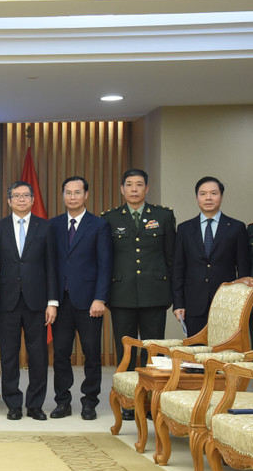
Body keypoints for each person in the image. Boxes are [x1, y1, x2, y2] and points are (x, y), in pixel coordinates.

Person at [101, 169, 175, 420]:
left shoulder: (163, 216)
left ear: (147, 189)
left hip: (155, 293)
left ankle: (154, 401)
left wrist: (174, 294)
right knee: (126, 352)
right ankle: (129, 401)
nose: (134, 189)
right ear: (122, 189)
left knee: (154, 350)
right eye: (129, 185)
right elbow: (105, 260)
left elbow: (171, 257)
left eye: (139, 184)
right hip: (121, 294)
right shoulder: (109, 218)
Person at [0, 181, 57, 421]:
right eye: (16, 196)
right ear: (9, 201)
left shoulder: (46, 228)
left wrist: (52, 302)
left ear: (32, 200)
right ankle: (13, 404)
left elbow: (52, 266)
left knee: (38, 355)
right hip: (7, 302)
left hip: (38, 302)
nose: (21, 200)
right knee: (8, 355)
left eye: (25, 196)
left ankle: (35, 405)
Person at [49, 176, 112, 421]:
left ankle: (89, 402)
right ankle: (62, 401)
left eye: (77, 192)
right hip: (61, 303)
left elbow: (105, 265)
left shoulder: (99, 225)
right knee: (61, 354)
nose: (72, 196)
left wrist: (100, 298)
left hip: (89, 303)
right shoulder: (53, 225)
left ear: (86, 195)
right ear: (63, 195)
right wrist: (51, 300)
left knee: (92, 355)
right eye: (68, 192)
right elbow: (51, 265)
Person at [172, 176, 250, 337]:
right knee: (196, 353)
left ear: (221, 196)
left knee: (224, 352)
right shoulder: (185, 229)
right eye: (203, 194)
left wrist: (242, 304)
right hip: (193, 302)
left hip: (227, 303)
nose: (208, 198)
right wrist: (178, 303)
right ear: (197, 198)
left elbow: (244, 271)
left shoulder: (236, 227)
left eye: (213, 193)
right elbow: (178, 268)